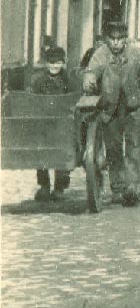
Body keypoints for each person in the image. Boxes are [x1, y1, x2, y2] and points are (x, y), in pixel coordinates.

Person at [84, 20, 140, 207]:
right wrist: (89, 81)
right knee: (113, 148)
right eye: (112, 38)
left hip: (135, 108)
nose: (116, 43)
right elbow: (91, 72)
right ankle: (117, 187)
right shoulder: (100, 55)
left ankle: (131, 186)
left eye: (120, 39)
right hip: (111, 110)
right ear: (106, 39)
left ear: (126, 39)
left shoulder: (137, 54)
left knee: (134, 146)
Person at [30, 45, 72, 201]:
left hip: (63, 124)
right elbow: (33, 100)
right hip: (44, 123)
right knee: (40, 149)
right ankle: (44, 186)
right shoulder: (39, 81)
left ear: (63, 63)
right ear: (46, 63)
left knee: (62, 151)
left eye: (58, 62)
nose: (55, 66)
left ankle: (59, 188)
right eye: (52, 62)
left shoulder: (68, 81)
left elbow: (73, 99)